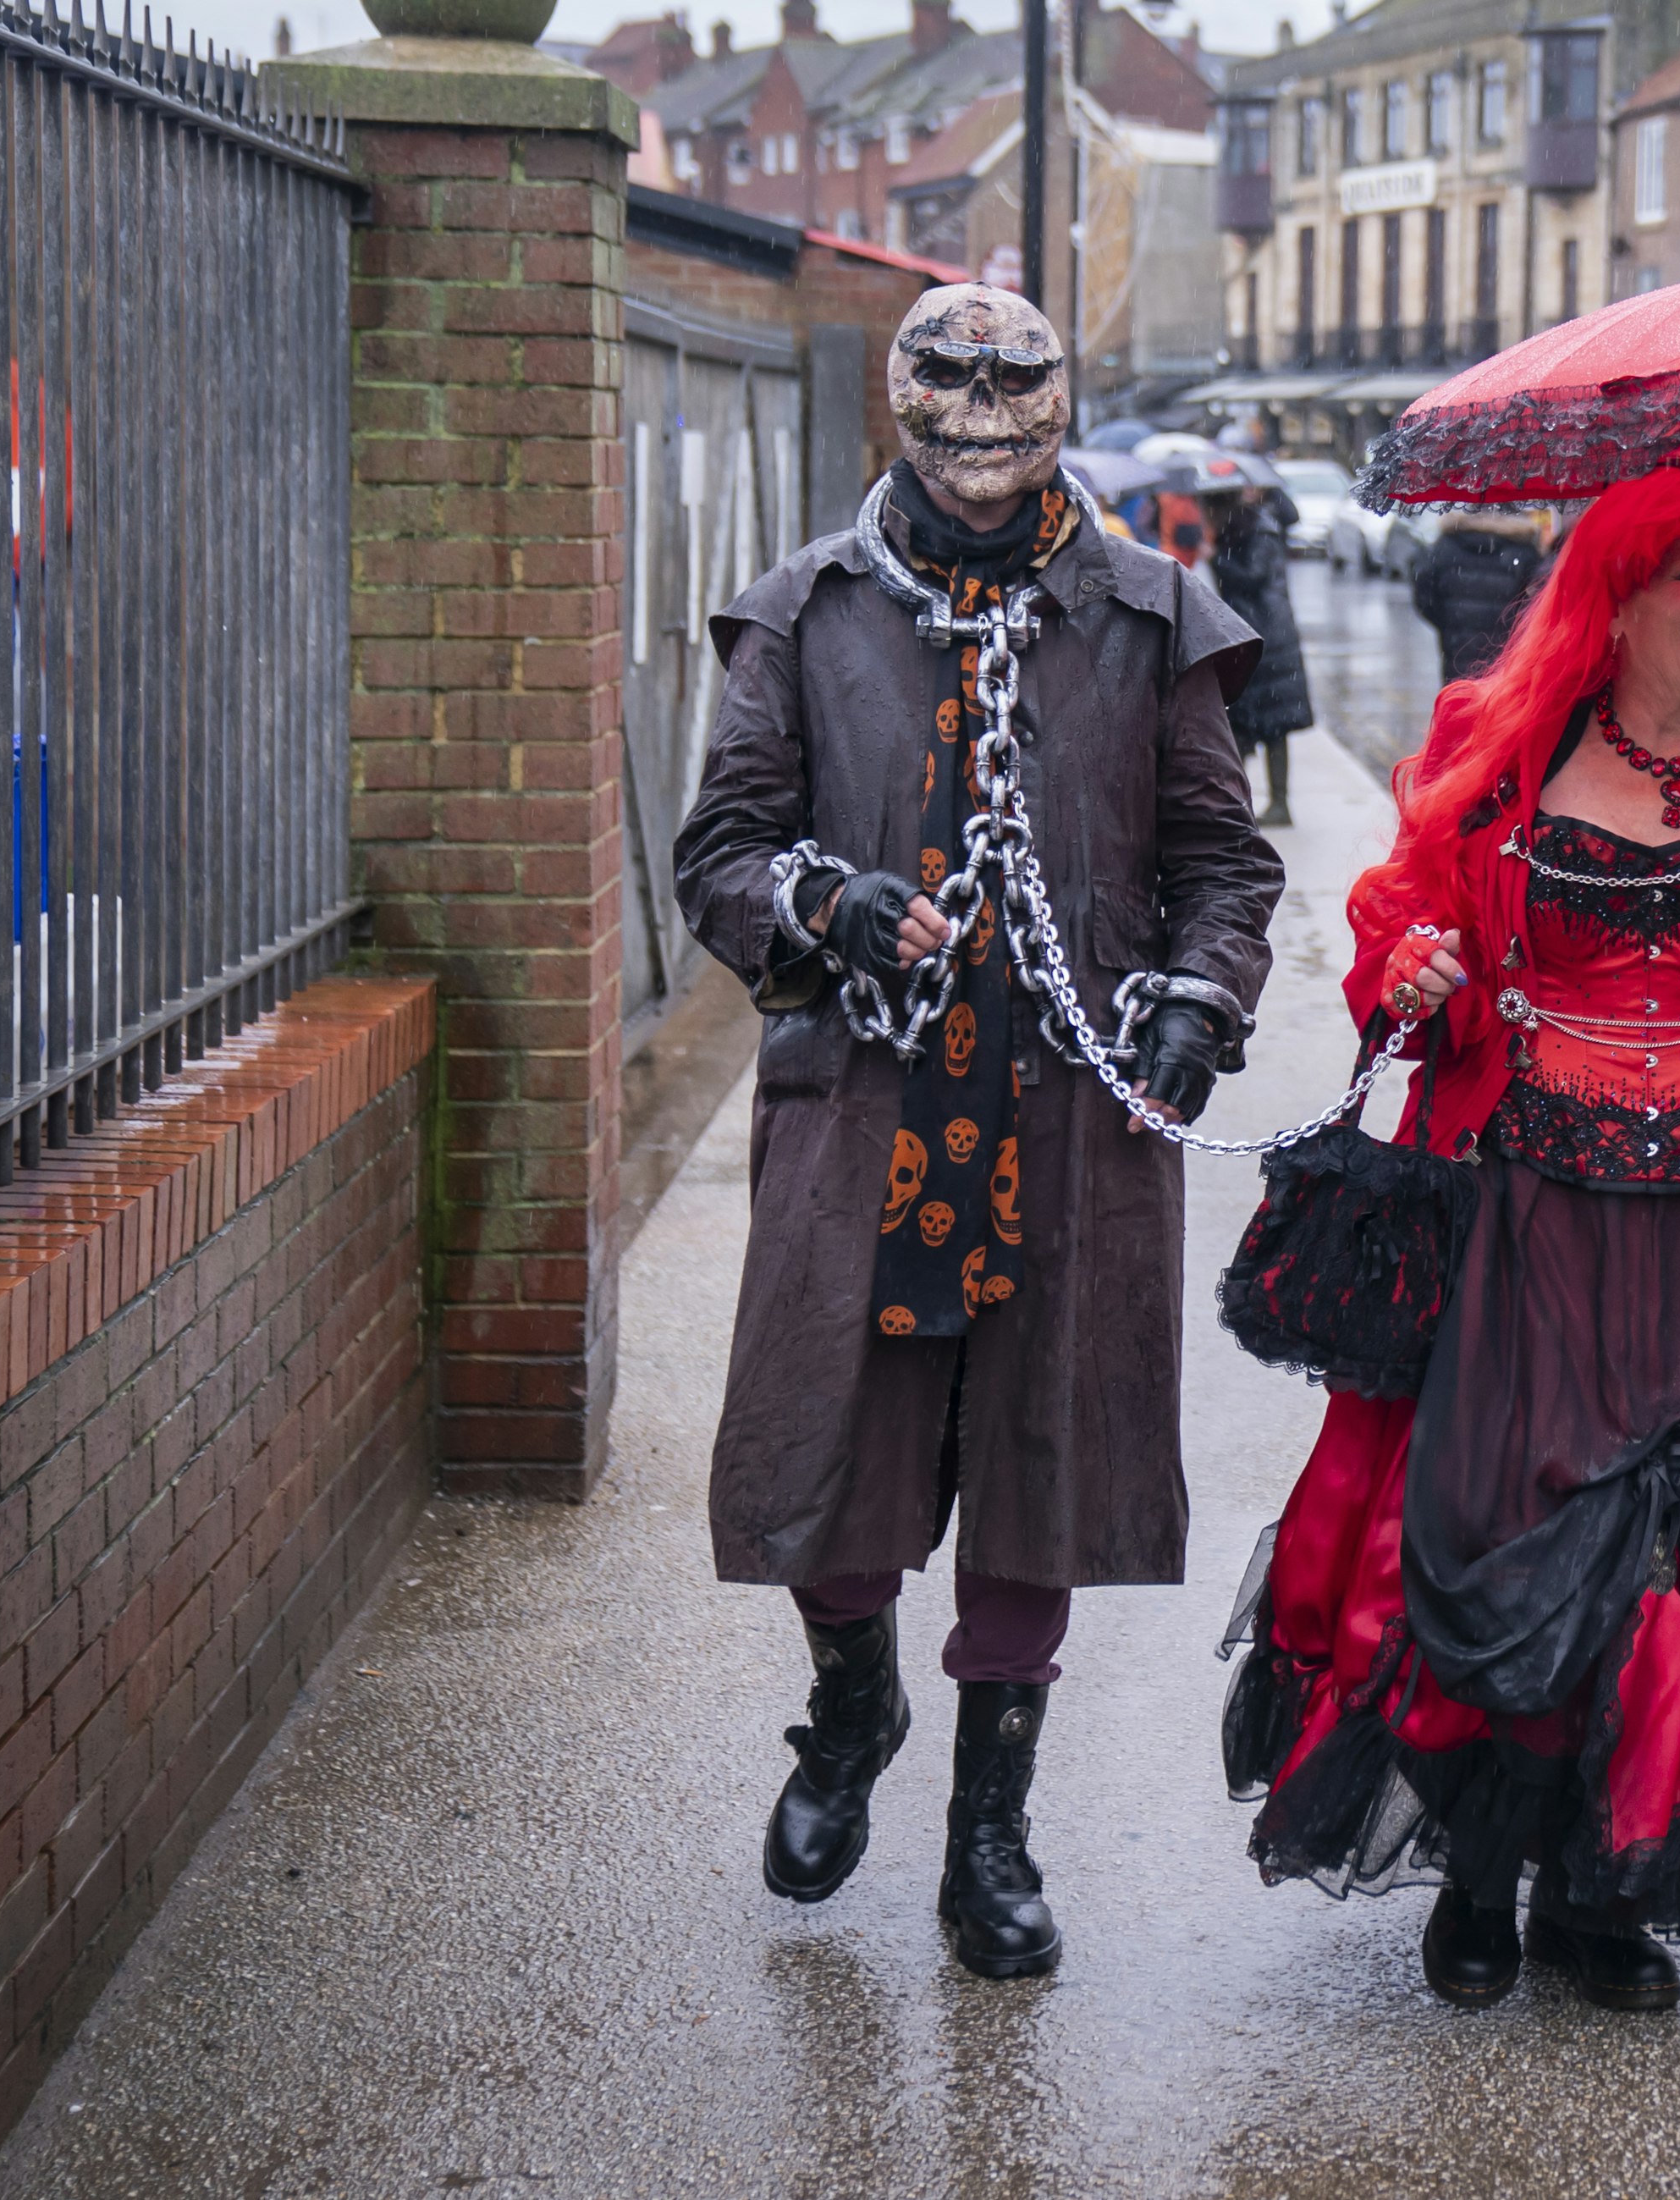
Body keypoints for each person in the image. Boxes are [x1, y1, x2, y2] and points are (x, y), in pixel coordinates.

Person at [1220, 466, 1680, 2012]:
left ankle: (1612, 1895)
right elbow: (1397, 916)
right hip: (1530, 1206)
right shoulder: (1501, 744)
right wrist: (1410, 966)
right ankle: (1479, 1875)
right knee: (1509, 1538)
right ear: (1619, 598)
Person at [671, 284, 1285, 1982]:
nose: (983, 407)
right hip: (866, 1116)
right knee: (832, 1465)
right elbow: (721, 848)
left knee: (1041, 1473)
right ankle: (852, 1708)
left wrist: (1198, 999)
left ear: (1063, 403)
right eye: (947, 375)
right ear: (895, 399)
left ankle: (988, 1833)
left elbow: (1225, 869)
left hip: (1071, 1123)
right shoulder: (803, 615)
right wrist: (827, 902)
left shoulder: (1154, 617)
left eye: (1020, 378)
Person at [1209, 484, 1314, 827]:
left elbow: (1253, 578)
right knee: (1248, 724)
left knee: (1268, 724)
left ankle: (1272, 804)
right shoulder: (1243, 530)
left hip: (1267, 638)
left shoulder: (1260, 531)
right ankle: (1239, 803)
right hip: (1257, 634)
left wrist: (1215, 559)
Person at [1412, 506, 1548, 683]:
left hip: (1456, 653)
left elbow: (1424, 594)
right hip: (1507, 658)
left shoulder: (1446, 545)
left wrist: (1450, 623)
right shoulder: (1524, 550)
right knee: (1500, 705)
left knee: (1458, 702)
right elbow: (1537, 602)